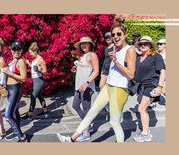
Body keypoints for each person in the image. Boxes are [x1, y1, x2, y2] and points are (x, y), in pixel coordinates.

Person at [57, 15, 136, 143]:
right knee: (91, 112)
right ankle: (71, 140)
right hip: (109, 86)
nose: (115, 37)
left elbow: (131, 75)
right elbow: (108, 69)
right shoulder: (114, 48)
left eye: (119, 34)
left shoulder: (130, 50)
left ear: (125, 34)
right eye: (113, 34)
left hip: (119, 89)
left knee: (114, 122)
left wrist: (116, 62)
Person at [132, 36, 166, 142]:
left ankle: (145, 133)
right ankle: (146, 132)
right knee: (143, 109)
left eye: (145, 44)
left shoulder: (156, 56)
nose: (143, 45)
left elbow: (163, 72)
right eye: (141, 44)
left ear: (150, 45)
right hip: (141, 86)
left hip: (151, 85)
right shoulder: (138, 58)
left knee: (141, 108)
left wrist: (160, 87)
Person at [69, 36, 99, 142]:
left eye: (86, 43)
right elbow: (83, 68)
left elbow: (96, 71)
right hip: (79, 86)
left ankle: (86, 133)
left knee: (86, 109)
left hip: (87, 86)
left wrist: (87, 83)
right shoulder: (81, 56)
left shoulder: (92, 55)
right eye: (82, 44)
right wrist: (75, 69)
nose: (83, 45)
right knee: (75, 105)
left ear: (90, 44)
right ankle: (87, 125)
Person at [0, 41, 27, 142]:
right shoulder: (11, 61)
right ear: (11, 51)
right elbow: (7, 74)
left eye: (18, 49)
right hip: (9, 89)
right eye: (14, 49)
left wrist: (9, 73)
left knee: (8, 115)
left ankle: (21, 136)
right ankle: (16, 133)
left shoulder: (21, 61)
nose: (16, 51)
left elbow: (24, 78)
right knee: (15, 111)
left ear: (21, 50)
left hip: (15, 89)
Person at [22, 42, 48, 119]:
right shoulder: (34, 59)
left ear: (35, 51)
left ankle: (29, 114)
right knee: (39, 96)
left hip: (39, 80)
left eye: (31, 53)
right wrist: (28, 63)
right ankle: (45, 111)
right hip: (35, 80)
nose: (30, 54)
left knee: (32, 96)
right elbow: (33, 69)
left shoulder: (40, 60)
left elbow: (45, 72)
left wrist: (39, 70)